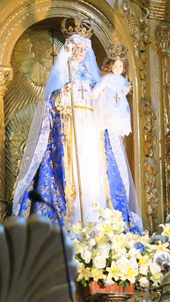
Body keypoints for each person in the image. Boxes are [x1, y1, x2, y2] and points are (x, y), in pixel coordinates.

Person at [12, 16, 142, 232]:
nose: (81, 52)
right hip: (68, 133)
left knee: (94, 174)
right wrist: (62, 93)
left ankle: (97, 223)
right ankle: (72, 223)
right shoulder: (62, 74)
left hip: (91, 132)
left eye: (84, 49)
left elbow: (104, 98)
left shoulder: (93, 78)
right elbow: (49, 105)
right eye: (77, 48)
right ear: (69, 49)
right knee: (71, 174)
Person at [90, 44, 140, 226]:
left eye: (121, 67)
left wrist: (128, 88)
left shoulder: (120, 81)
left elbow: (125, 90)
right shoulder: (108, 79)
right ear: (110, 66)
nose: (118, 69)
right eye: (116, 66)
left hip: (119, 114)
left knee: (118, 141)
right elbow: (96, 92)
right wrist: (92, 99)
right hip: (107, 113)